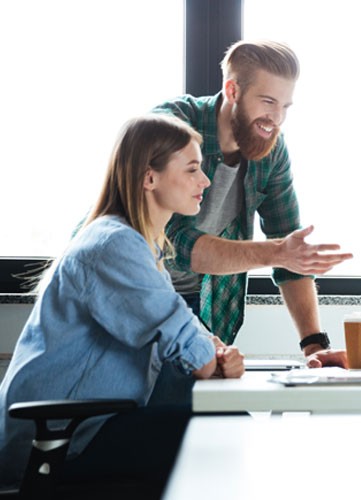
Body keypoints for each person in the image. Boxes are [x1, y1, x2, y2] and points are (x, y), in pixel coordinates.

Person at [0, 114, 245, 493]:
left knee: (223, 426)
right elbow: (182, 336)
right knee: (224, 432)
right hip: (62, 441)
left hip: (89, 428)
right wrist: (211, 359)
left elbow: (180, 328)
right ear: (150, 178)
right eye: (193, 169)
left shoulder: (141, 246)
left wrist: (213, 351)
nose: (206, 181)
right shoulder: (114, 244)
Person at [152, 39, 353, 373]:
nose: (276, 118)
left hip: (196, 304)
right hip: (135, 295)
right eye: (268, 101)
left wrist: (314, 347)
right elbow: (174, 244)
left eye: (286, 106)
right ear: (232, 90)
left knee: (225, 410)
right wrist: (277, 252)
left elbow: (289, 248)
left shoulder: (271, 151)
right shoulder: (173, 127)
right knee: (191, 411)